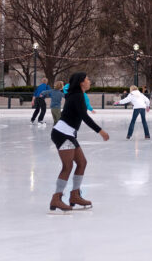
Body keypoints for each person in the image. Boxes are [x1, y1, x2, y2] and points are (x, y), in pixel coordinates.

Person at [49, 72, 109, 211]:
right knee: (67, 166)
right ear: (81, 82)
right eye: (87, 79)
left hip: (68, 134)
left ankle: (74, 195)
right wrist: (101, 131)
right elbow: (85, 117)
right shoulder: (77, 96)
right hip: (62, 134)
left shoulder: (78, 95)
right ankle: (56, 198)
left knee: (82, 163)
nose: (89, 81)